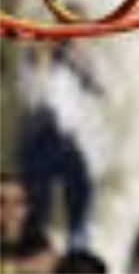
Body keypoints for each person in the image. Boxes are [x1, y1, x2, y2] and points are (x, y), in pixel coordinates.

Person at [16, 39, 101, 250]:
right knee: (37, 198)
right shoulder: (31, 63)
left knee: (81, 191)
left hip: (70, 139)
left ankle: (78, 242)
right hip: (40, 137)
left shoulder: (77, 65)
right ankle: (36, 242)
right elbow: (31, 98)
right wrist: (41, 63)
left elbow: (99, 90)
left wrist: (80, 59)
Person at [1, 173, 56, 274]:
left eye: (18, 202)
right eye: (1, 202)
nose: (10, 209)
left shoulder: (39, 242)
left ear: (28, 207)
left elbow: (46, 264)